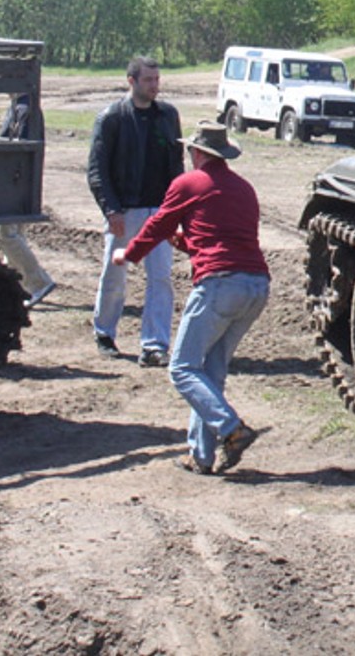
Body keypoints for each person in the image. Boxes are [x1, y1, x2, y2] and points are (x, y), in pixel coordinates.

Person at [112, 121, 269, 475]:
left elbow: (159, 224)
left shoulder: (188, 183)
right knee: (211, 371)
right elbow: (224, 237)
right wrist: (183, 242)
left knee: (181, 368)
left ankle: (232, 430)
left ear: (197, 153)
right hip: (256, 284)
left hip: (219, 285)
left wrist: (130, 254)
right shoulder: (244, 188)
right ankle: (202, 455)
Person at [86, 56, 183, 365]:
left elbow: (177, 166)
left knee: (161, 278)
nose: (155, 86)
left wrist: (176, 210)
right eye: (148, 80)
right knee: (114, 274)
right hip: (124, 211)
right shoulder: (111, 118)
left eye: (157, 80)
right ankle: (104, 332)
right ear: (131, 81)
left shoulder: (168, 115)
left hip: (160, 212)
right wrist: (112, 210)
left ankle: (155, 345)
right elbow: (97, 170)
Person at [0, 93, 56, 307]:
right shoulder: (21, 107)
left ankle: (38, 282)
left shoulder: (25, 110)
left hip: (14, 184)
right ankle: (14, 287)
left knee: (5, 235)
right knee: (14, 236)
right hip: (17, 183)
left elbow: (22, 151)